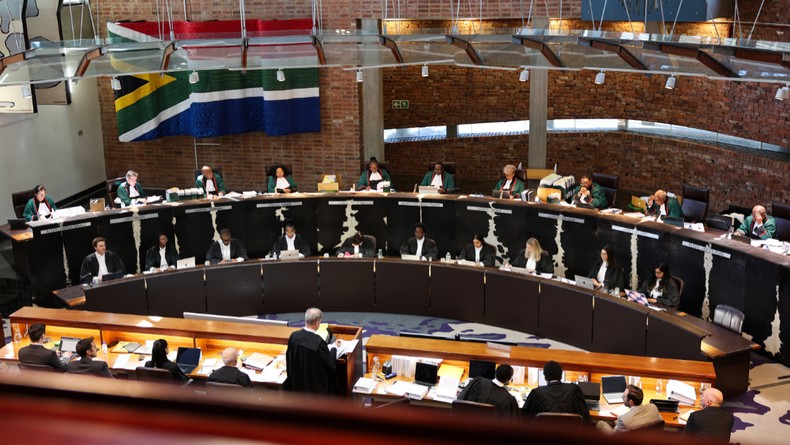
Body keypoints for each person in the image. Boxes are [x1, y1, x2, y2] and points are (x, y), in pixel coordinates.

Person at [283, 308, 342, 395]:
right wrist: (334, 348)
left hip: (296, 385)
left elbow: (289, 357)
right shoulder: (318, 342)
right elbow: (330, 364)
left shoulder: (294, 336)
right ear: (317, 323)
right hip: (314, 390)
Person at [522, 360, 590, 423]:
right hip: (570, 432)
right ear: (561, 376)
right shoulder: (574, 390)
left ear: (545, 377)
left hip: (543, 432)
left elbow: (525, 418)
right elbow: (586, 418)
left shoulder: (536, 393)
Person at [596, 385, 661, 433]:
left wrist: (619, 421)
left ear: (630, 402)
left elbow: (614, 436)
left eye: (624, 397)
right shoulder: (653, 408)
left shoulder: (623, 420)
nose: (622, 397)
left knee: (600, 423)